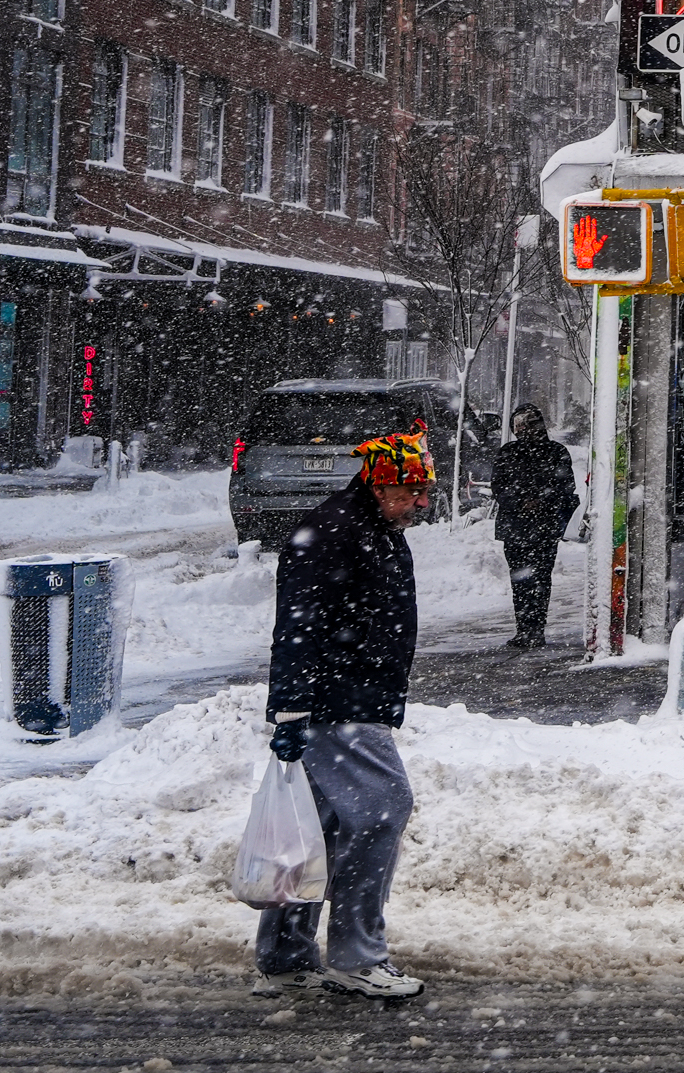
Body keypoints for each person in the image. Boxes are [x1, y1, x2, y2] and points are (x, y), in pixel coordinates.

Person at [254, 429, 432, 1001]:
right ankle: (358, 956)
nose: (422, 502)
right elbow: (298, 625)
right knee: (382, 809)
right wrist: (290, 709)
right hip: (336, 703)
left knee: (321, 826)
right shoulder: (333, 532)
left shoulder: (373, 528)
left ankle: (286, 955)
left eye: (424, 490)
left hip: (354, 697)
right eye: (412, 491)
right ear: (380, 484)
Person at [490, 406, 579, 650]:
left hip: (542, 528)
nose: (524, 429)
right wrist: (522, 502)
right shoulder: (509, 452)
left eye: (529, 423)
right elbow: (498, 487)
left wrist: (541, 502)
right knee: (520, 581)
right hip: (518, 528)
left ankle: (535, 629)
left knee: (539, 580)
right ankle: (524, 628)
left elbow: (565, 487)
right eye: (519, 424)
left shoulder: (555, 452)